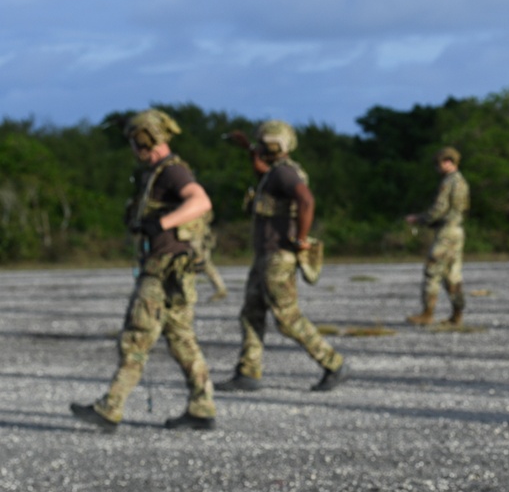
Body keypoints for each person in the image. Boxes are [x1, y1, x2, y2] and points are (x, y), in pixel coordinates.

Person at [70, 109, 217, 431]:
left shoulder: (171, 172)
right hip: (174, 271)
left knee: (136, 338)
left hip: (163, 271)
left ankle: (111, 408)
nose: (134, 148)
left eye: (135, 140)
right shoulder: (159, 172)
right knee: (181, 340)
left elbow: (200, 200)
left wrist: (161, 223)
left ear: (145, 139)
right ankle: (202, 407)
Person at [216, 120, 348, 392]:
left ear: (275, 144)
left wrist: (301, 239)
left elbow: (306, 200)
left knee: (287, 318)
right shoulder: (276, 172)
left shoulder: (285, 173)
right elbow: (261, 171)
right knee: (251, 312)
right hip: (266, 255)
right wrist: (250, 150)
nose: (260, 147)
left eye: (263, 143)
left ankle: (333, 363)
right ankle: (248, 372)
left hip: (278, 256)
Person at [404, 146, 469, 326]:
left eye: (438, 164)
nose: (437, 168)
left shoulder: (448, 182)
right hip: (458, 230)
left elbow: (439, 209)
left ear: (448, 162)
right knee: (452, 275)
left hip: (446, 232)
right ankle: (457, 315)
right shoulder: (462, 181)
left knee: (432, 271)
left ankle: (427, 313)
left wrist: (419, 219)